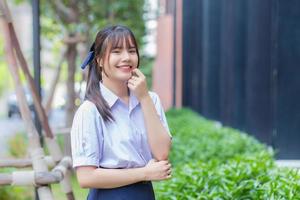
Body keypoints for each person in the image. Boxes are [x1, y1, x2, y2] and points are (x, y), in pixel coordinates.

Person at [71, 25, 172, 200]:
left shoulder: (150, 99)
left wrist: (144, 98)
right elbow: (86, 177)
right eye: (116, 51)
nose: (126, 58)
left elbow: (162, 153)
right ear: (100, 60)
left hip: (144, 194)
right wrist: (144, 173)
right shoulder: (90, 111)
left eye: (131, 51)